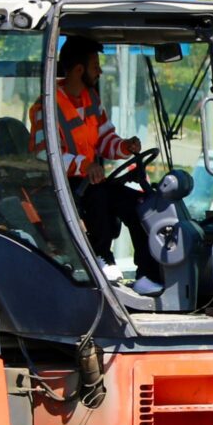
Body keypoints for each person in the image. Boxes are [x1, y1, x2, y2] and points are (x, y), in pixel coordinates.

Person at [31, 35, 147, 261]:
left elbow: (104, 139)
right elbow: (43, 154)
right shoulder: (46, 105)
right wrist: (84, 166)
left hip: (88, 180)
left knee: (139, 204)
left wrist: (124, 146)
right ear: (78, 70)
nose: (100, 71)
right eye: (95, 66)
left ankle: (148, 272)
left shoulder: (90, 99)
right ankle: (101, 259)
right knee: (99, 197)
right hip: (59, 186)